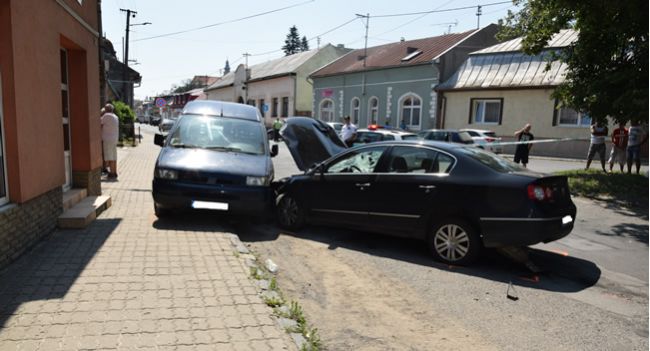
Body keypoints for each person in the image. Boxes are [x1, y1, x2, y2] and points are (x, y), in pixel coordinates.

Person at [101, 103, 120, 179]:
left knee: (110, 157)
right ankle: (114, 172)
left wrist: (101, 113)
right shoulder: (115, 116)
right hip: (114, 139)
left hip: (108, 140)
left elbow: (99, 123)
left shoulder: (106, 116)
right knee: (114, 156)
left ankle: (111, 173)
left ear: (106, 110)